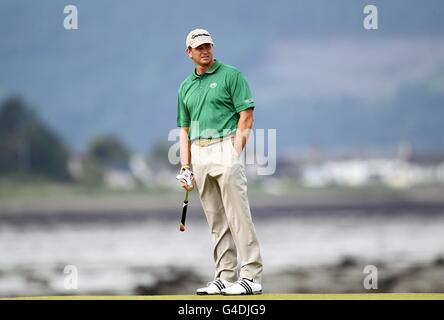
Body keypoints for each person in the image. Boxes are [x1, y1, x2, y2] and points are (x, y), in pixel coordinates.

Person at [176, 28, 263, 295]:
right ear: (188, 52)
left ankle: (251, 276)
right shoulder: (186, 86)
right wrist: (185, 167)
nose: (205, 50)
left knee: (238, 216)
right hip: (199, 153)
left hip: (226, 145)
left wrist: (234, 153)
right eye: (199, 47)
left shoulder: (231, 75)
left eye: (208, 46)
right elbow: (184, 130)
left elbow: (246, 116)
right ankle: (225, 276)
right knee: (216, 220)